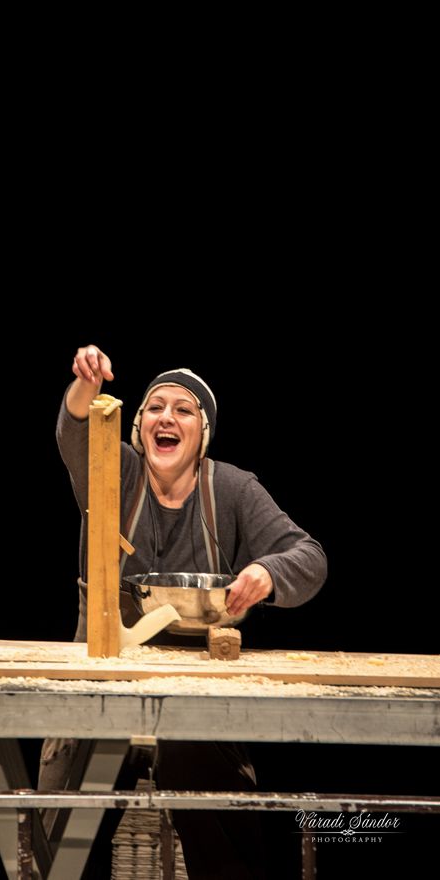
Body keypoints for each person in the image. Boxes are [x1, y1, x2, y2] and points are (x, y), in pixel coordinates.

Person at [40, 344, 328, 880]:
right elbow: (74, 429)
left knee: (216, 801)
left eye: (183, 409)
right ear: (138, 426)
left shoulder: (232, 489)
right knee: (60, 842)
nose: (166, 418)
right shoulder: (114, 472)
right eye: (154, 407)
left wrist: (267, 573)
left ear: (203, 433)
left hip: (196, 694)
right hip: (100, 682)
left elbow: (309, 558)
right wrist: (86, 384)